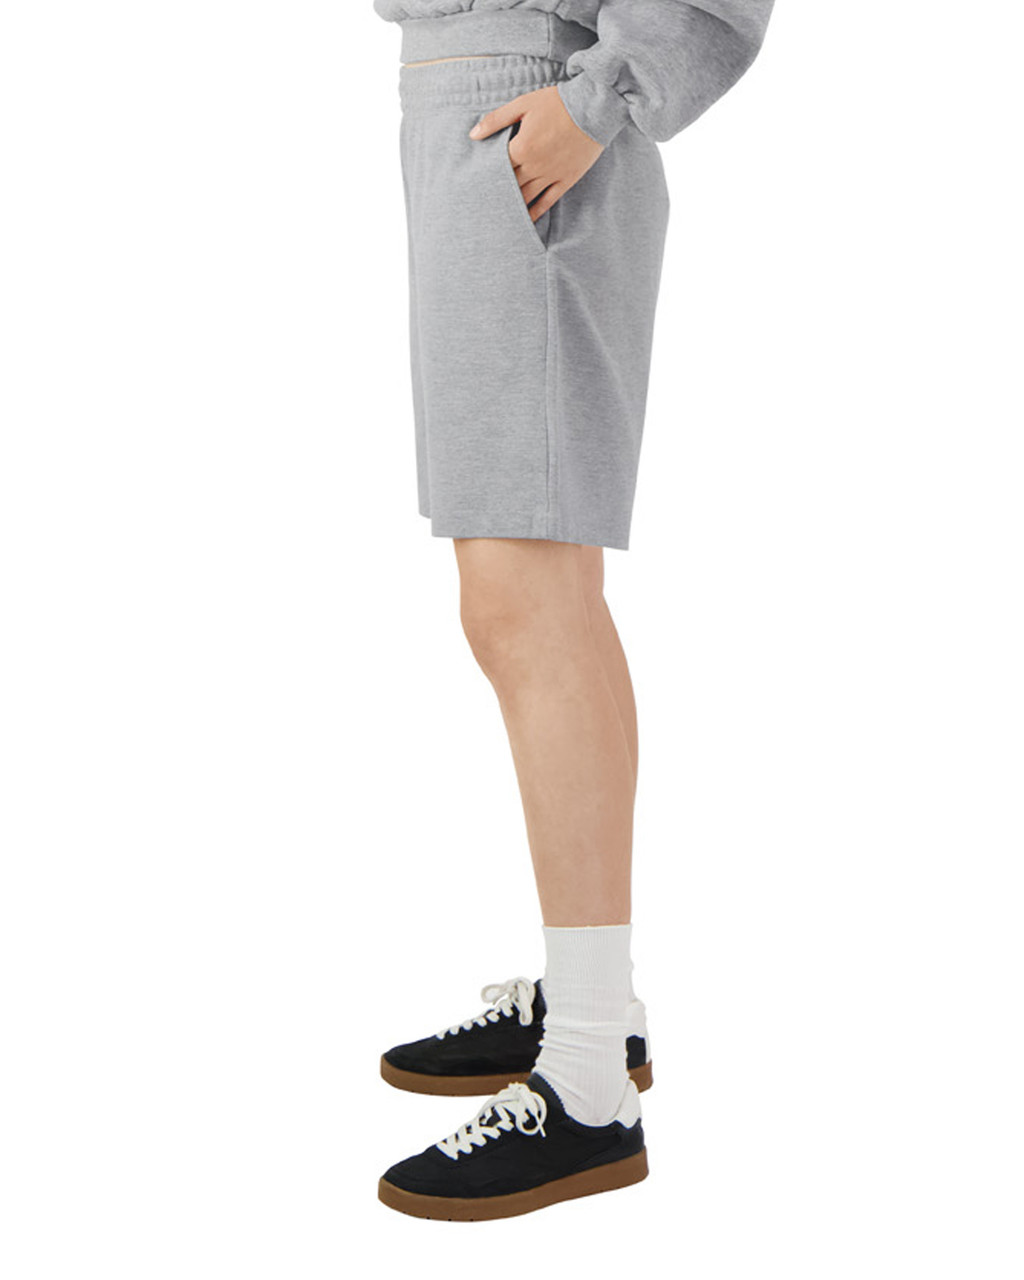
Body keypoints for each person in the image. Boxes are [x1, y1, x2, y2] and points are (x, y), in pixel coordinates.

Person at [372, 0, 775, 1221]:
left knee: (524, 595)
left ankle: (589, 1079)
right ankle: (595, 998)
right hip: (468, 101)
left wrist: (601, 97)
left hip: (534, 102)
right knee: (539, 593)